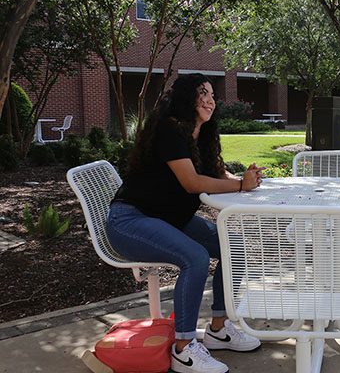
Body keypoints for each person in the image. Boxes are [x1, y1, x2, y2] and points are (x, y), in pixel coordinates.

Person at [106, 73, 263, 373]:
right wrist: (240, 185)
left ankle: (219, 328)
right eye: (202, 93)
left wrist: (247, 180)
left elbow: (217, 173)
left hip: (168, 219)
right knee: (196, 257)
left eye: (212, 95)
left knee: (235, 247)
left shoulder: (201, 134)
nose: (210, 100)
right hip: (130, 220)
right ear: (185, 97)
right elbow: (191, 182)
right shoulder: (170, 129)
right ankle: (184, 348)